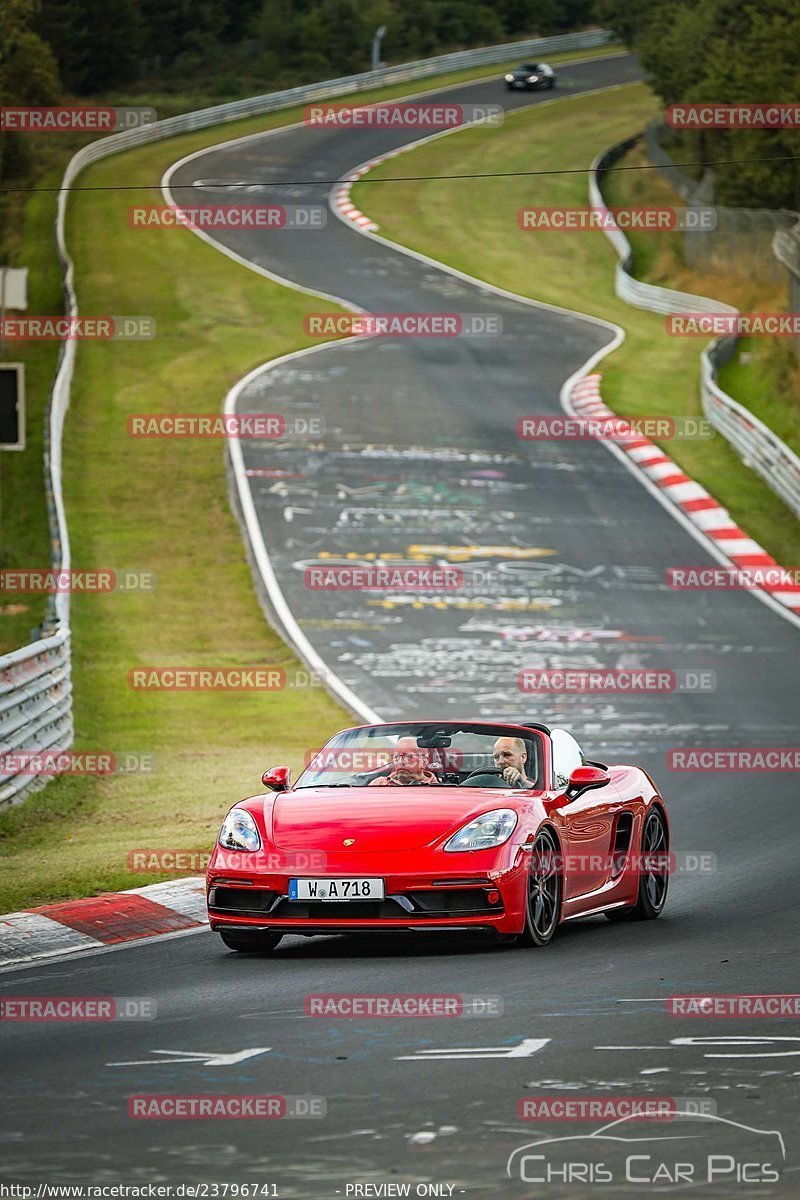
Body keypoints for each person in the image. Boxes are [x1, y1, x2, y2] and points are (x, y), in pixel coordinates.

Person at [369, 736, 441, 786]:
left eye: (408, 757)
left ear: (424, 761)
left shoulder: (438, 788)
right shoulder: (379, 783)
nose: (400, 762)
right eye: (396, 757)